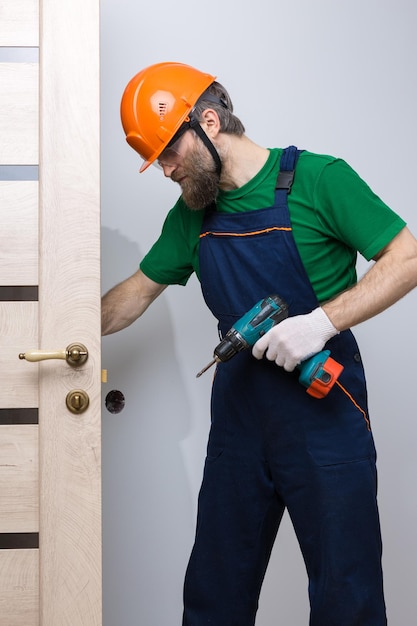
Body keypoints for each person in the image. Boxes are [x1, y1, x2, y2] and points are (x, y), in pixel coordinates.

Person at [101, 61, 417, 625]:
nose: (166, 170)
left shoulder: (320, 179)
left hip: (325, 420)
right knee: (214, 596)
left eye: (168, 153)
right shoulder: (191, 216)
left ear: (209, 121)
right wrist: (55, 330)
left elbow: (407, 258)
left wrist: (320, 323)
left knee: (348, 596)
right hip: (240, 429)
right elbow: (133, 296)